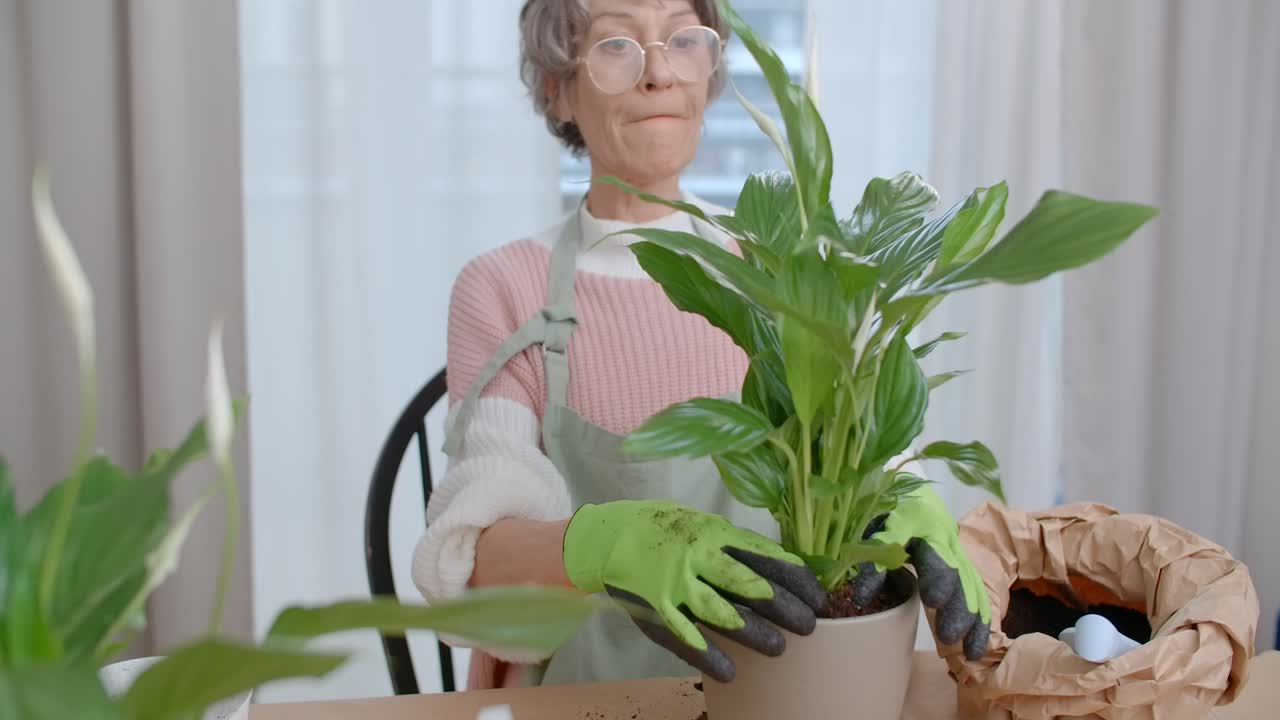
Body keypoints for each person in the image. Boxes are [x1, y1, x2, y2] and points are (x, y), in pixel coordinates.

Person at [411, 0, 990, 691]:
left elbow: (862, 454)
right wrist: (610, 541)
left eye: (683, 38)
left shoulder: (780, 264)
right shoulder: (505, 289)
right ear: (556, 88)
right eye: (618, 44)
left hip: (788, 688)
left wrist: (906, 498)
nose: (659, 73)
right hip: (583, 695)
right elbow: (470, 560)